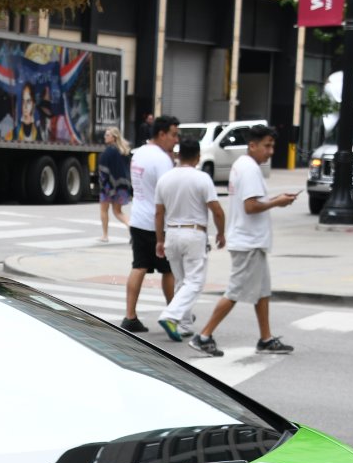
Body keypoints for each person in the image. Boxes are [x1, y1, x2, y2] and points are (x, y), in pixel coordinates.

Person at [188, 125, 296, 358]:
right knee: (235, 292)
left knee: (262, 291)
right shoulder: (249, 169)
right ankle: (204, 336)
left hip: (251, 241)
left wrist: (276, 200)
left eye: (272, 146)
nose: (270, 151)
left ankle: (265, 339)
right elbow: (251, 206)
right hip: (248, 242)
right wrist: (278, 201)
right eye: (267, 146)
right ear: (252, 145)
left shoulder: (242, 166)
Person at [154, 137, 225, 341]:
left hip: (171, 234)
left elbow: (158, 213)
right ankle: (170, 315)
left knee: (181, 281)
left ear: (177, 155)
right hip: (194, 234)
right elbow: (217, 211)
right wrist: (221, 233)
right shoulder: (202, 178)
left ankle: (184, 324)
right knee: (194, 282)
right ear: (198, 157)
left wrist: (159, 239)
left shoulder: (165, 179)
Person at [119, 116, 178, 333]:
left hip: (138, 218)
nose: (176, 139)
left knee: (139, 266)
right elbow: (168, 192)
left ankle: (130, 315)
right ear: (162, 134)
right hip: (157, 222)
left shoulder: (140, 152)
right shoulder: (162, 160)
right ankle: (174, 314)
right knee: (169, 270)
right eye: (173, 134)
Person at [96, 128, 132, 242]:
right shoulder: (124, 151)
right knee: (118, 212)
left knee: (104, 210)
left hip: (108, 186)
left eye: (107, 135)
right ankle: (130, 226)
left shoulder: (108, 152)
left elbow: (103, 170)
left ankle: (105, 235)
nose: (105, 137)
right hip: (121, 186)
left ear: (114, 137)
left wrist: (103, 184)